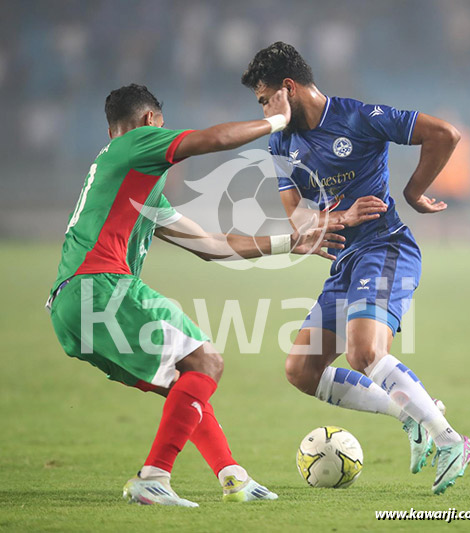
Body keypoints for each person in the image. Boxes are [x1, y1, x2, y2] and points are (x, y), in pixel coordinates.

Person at [47, 83, 346, 507]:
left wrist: (289, 242)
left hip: (69, 307)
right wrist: (278, 120)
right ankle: (153, 477)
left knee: (185, 381)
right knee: (207, 361)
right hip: (100, 287)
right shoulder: (138, 143)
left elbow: (210, 245)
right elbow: (214, 139)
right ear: (151, 122)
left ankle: (232, 476)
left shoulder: (134, 186)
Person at [241, 42, 470, 495]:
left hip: (385, 247)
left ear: (288, 89)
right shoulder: (280, 142)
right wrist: (337, 221)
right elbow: (296, 217)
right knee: (301, 371)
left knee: (363, 354)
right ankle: (408, 413)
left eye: (266, 98)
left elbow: (444, 134)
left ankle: (451, 440)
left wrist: (412, 193)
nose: (265, 110)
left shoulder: (357, 117)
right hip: (345, 260)